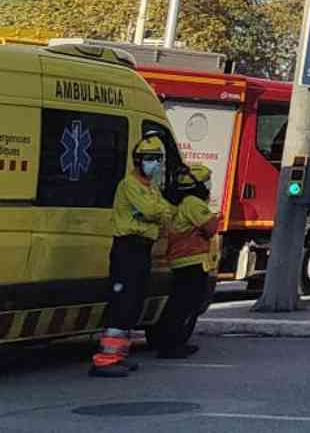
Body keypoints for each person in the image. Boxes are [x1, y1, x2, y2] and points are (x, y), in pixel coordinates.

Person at [90, 135, 173, 377]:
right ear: (138, 161)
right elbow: (153, 211)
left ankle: (118, 355)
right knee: (122, 303)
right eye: (150, 159)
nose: (155, 164)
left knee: (134, 303)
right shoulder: (129, 185)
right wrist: (156, 214)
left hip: (142, 248)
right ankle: (104, 360)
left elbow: (164, 212)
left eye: (158, 159)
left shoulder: (151, 188)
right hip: (127, 248)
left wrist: (156, 214)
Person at [151, 161, 218, 360]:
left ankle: (174, 343)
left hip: (183, 261)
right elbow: (211, 227)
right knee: (184, 304)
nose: (208, 186)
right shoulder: (193, 203)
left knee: (180, 303)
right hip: (191, 262)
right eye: (206, 182)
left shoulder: (181, 202)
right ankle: (172, 345)